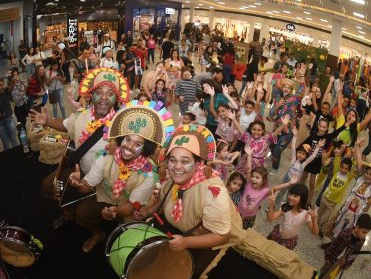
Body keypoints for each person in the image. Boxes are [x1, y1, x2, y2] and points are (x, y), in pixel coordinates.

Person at [134, 125, 316, 279]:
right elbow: (165, 200)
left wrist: (187, 243)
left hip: (210, 244)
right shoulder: (174, 178)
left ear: (199, 164)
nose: (177, 166)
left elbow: (222, 235)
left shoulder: (213, 193)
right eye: (172, 160)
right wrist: (147, 210)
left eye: (185, 161)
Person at [29, 67, 130, 228]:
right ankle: (67, 212)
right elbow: (64, 124)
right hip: (78, 168)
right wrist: (47, 121)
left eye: (110, 93)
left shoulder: (122, 125)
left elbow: (134, 158)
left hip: (104, 182)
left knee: (83, 214)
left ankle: (97, 234)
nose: (104, 97)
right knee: (48, 186)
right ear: (92, 94)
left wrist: (119, 153)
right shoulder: (81, 114)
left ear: (116, 98)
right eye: (99, 92)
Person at [68, 101, 173, 252]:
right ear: (121, 138)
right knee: (82, 212)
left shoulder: (148, 175)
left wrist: (115, 212)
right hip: (106, 199)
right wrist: (78, 184)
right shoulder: (106, 158)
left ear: (145, 148)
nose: (129, 146)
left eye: (138, 144)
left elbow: (130, 207)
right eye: (128, 139)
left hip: (132, 212)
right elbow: (86, 187)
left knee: (130, 247)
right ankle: (98, 234)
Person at [227, 109, 290, 177]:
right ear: (251, 130)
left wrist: (283, 125)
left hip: (258, 165)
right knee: (241, 178)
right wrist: (234, 119)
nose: (256, 132)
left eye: (259, 130)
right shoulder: (248, 137)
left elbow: (275, 133)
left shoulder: (266, 139)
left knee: (253, 180)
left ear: (263, 131)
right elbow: (240, 129)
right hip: (245, 161)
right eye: (254, 129)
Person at [274, 127, 324, 207]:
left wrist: (318, 147)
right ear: (297, 153)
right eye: (300, 152)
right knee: (281, 193)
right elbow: (293, 147)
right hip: (286, 180)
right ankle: (274, 205)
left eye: (303, 154)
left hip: (294, 184)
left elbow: (313, 156)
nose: (301, 155)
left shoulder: (303, 165)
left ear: (305, 157)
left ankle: (287, 207)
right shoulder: (293, 159)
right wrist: (295, 136)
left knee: (290, 196)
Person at [319, 213, 371, 278]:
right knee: (321, 273)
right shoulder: (344, 234)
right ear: (357, 227)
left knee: (331, 277)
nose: (365, 235)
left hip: (341, 265)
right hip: (331, 260)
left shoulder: (362, 240)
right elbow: (333, 245)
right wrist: (327, 258)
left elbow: (355, 254)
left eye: (367, 233)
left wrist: (347, 265)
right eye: (364, 232)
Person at [267, 184, 319, 250]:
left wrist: (314, 219)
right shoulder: (285, 207)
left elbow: (315, 233)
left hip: (289, 241)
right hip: (277, 234)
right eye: (290, 194)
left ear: (302, 198)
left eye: (295, 196)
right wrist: (271, 204)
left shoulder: (306, 214)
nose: (291, 197)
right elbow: (270, 219)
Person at [238, 145, 270, 229]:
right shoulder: (248, 183)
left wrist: (289, 184)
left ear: (263, 181)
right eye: (253, 176)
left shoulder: (264, 191)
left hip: (250, 218)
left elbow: (275, 188)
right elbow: (249, 169)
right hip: (238, 212)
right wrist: (249, 156)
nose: (253, 179)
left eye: (257, 178)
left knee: (244, 232)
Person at [0, 78, 19, 151]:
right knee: (5, 142)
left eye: (2, 85)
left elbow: (11, 85)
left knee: (13, 139)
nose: (1, 87)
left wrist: (11, 78)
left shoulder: (6, 91)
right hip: (0, 123)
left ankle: (17, 154)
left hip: (9, 119)